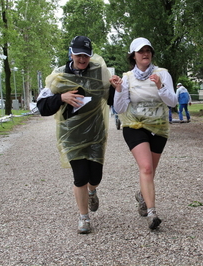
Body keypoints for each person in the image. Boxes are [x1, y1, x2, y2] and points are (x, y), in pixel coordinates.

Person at [37, 36, 112, 234]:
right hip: (71, 136)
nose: (82, 59)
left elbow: (111, 96)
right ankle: (84, 217)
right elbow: (42, 107)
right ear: (71, 53)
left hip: (95, 133)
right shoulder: (59, 76)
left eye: (86, 55)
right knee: (80, 176)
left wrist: (118, 87)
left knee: (95, 177)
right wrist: (61, 97)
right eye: (78, 55)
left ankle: (92, 191)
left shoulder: (98, 71)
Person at [110, 37, 177, 230]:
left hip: (159, 127)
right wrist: (119, 89)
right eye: (141, 51)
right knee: (146, 168)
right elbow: (120, 108)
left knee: (150, 171)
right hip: (135, 126)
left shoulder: (162, 74)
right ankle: (152, 213)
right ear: (133, 56)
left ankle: (141, 195)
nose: (145, 53)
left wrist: (160, 87)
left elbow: (172, 102)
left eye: (148, 50)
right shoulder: (127, 77)